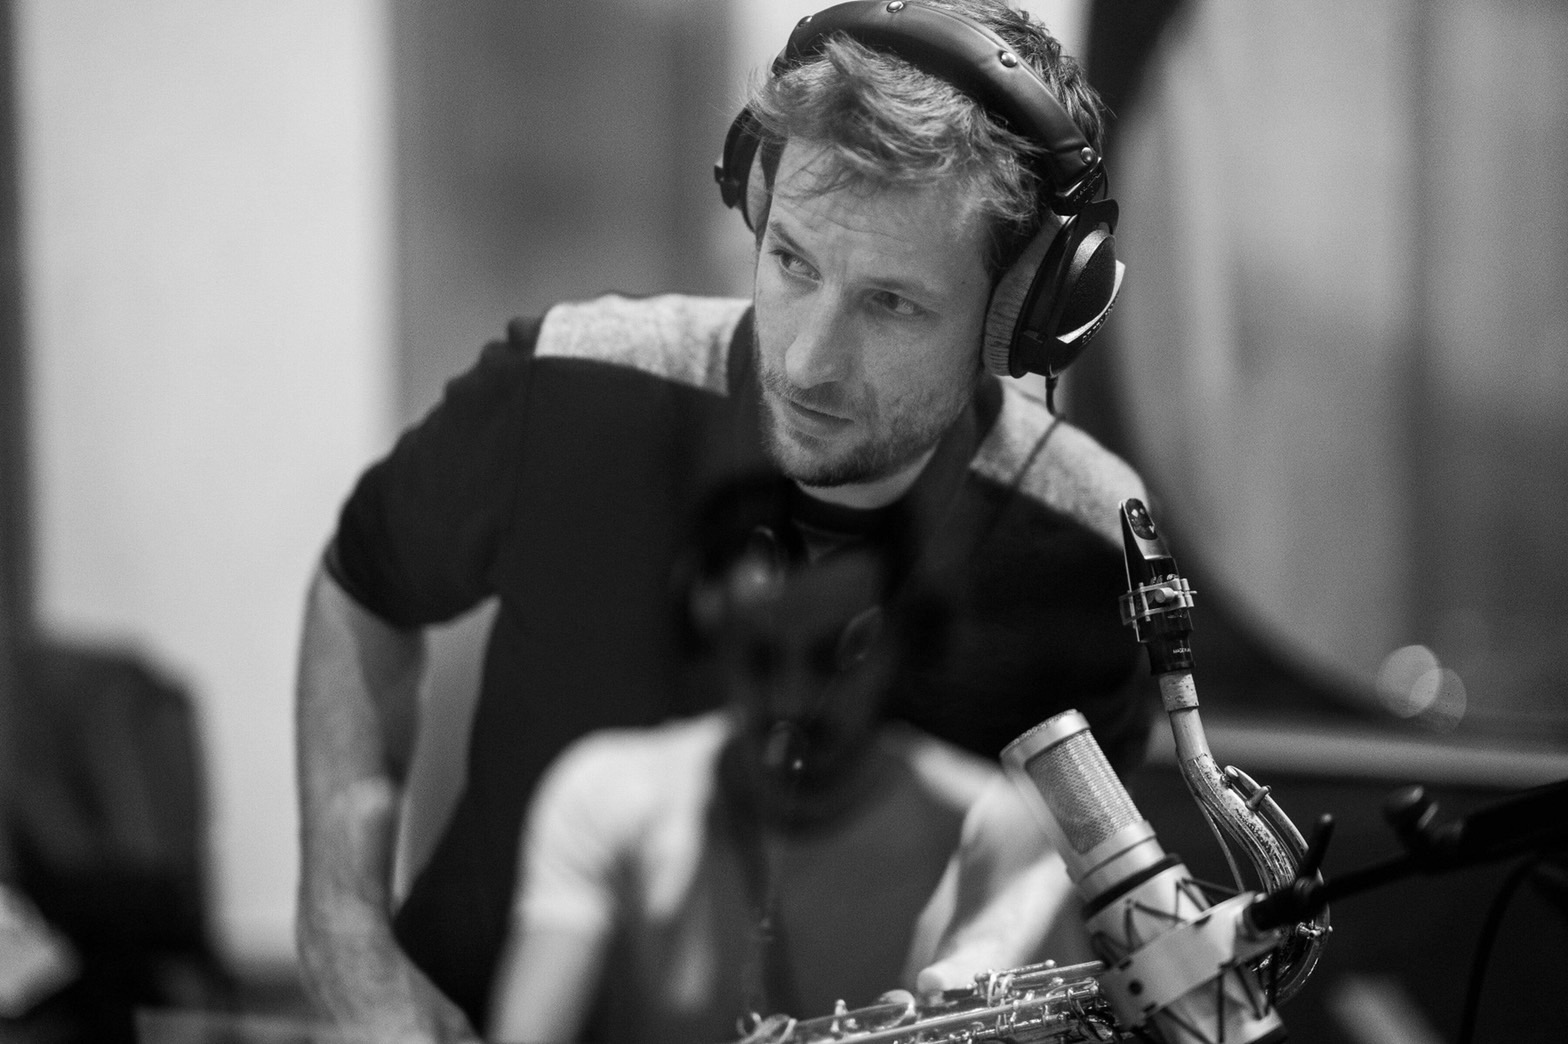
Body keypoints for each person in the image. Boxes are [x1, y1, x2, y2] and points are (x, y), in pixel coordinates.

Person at [295, 2, 1149, 1041]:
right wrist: (345, 933)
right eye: (792, 261)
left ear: (1020, 316)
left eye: (892, 305)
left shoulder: (1090, 544)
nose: (807, 362)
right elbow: (362, 589)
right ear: (755, 193)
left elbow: (1056, 896)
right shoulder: (569, 384)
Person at [485, 475, 1093, 1044]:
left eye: (836, 657)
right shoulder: (602, 793)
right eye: (760, 658)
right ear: (708, 635)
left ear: (906, 641)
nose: (793, 701)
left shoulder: (995, 833)